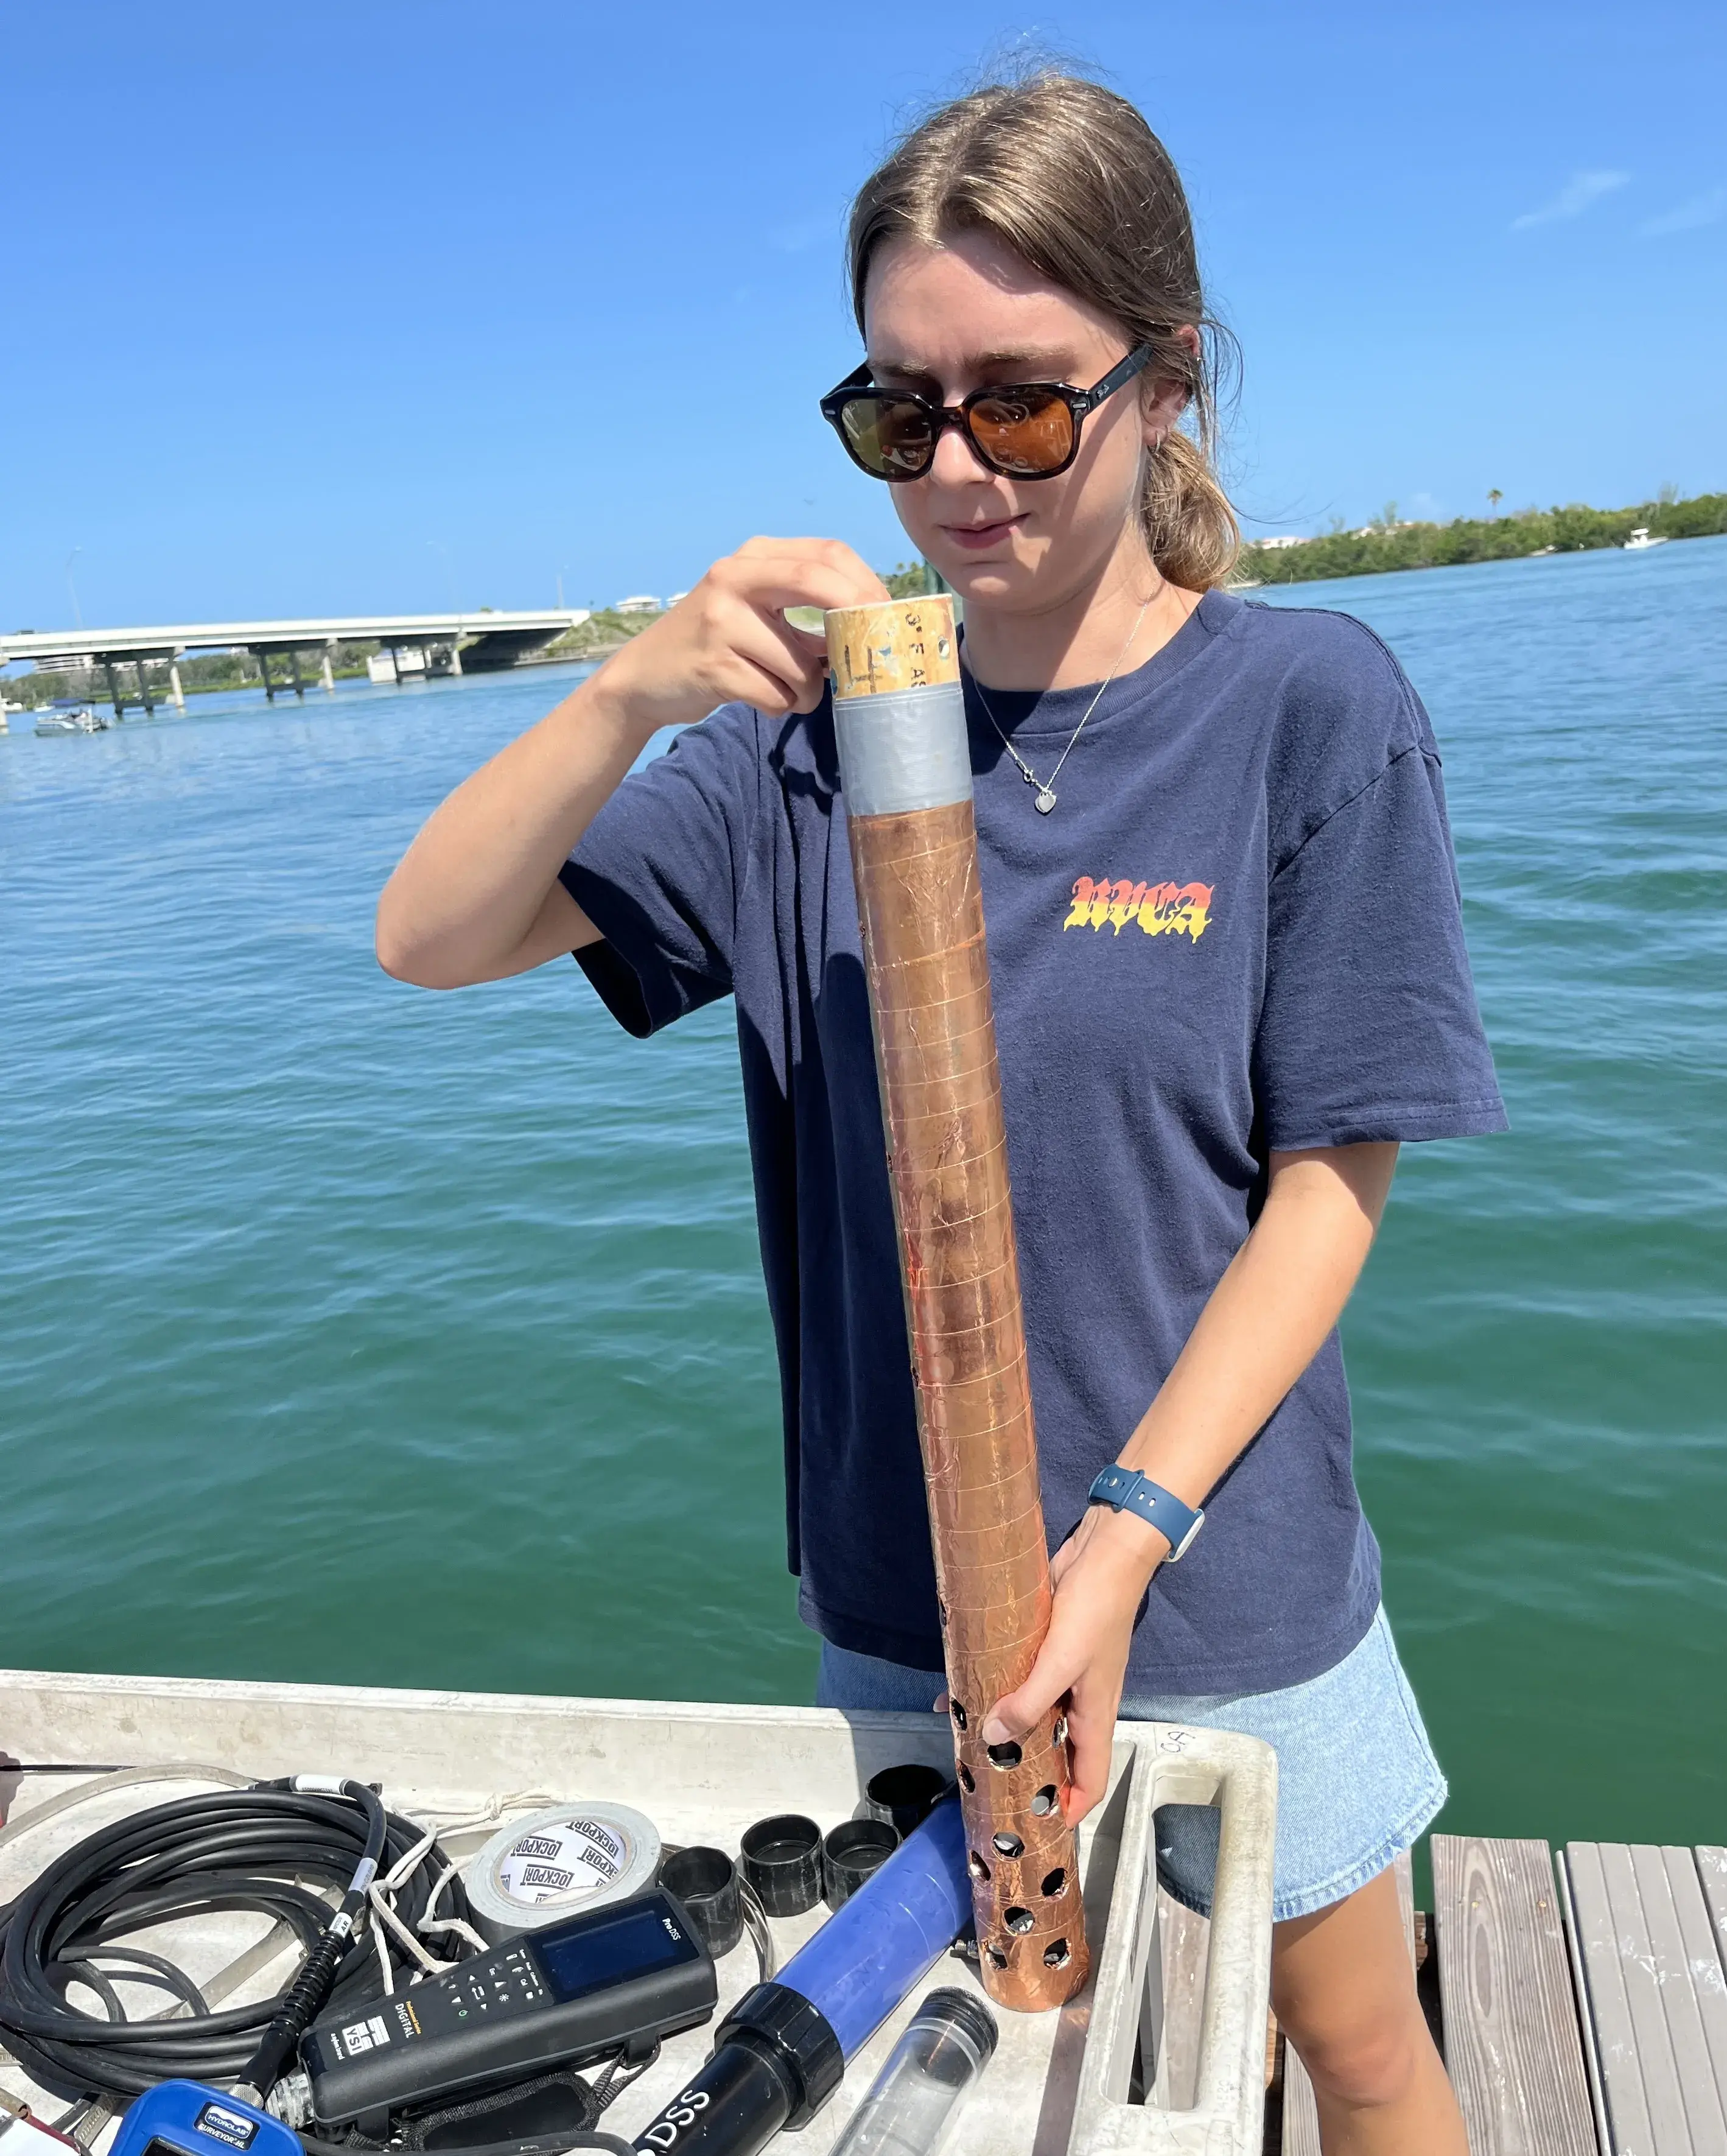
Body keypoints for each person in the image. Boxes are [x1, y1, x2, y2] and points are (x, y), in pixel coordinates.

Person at [377, 71, 1502, 2155]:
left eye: (1023, 400)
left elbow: (1334, 1184)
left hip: (1223, 1582)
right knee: (1020, 2079)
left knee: (1349, 2040)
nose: (962, 468)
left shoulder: (1307, 711)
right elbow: (430, 935)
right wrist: (632, 686)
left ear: (1163, 380)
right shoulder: (792, 759)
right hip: (913, 1607)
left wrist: (1125, 1534)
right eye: (904, 411)